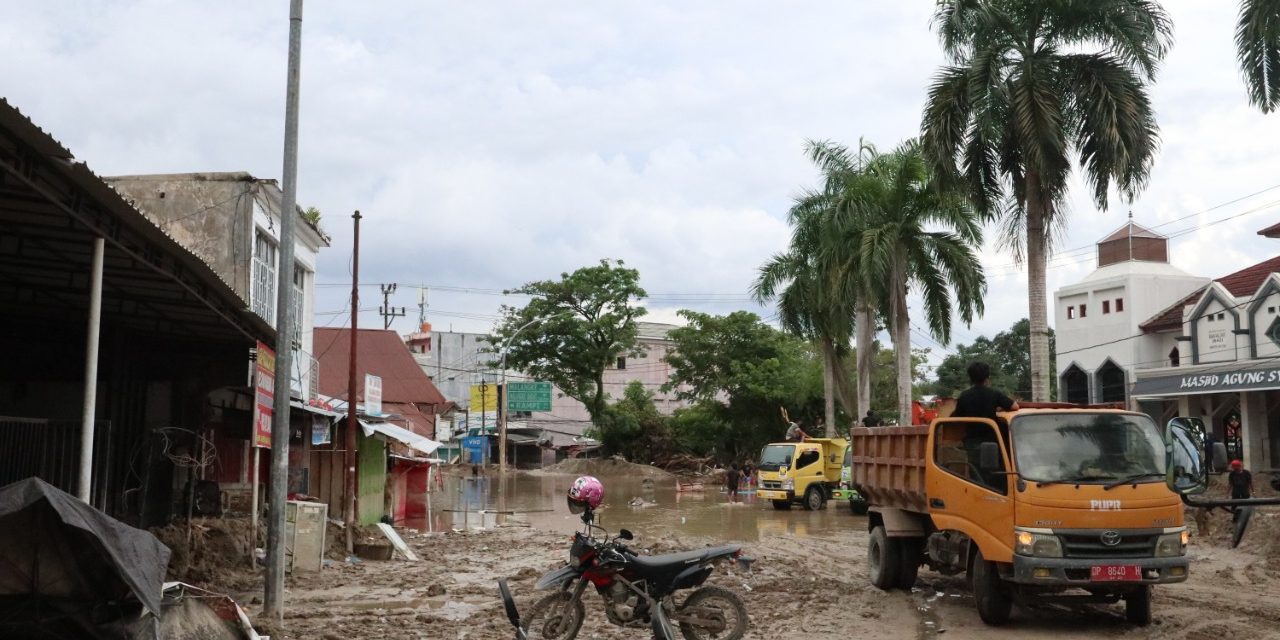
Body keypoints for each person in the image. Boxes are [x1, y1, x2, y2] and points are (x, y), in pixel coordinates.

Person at [952, 362, 1020, 422]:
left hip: (971, 436)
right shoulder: (994, 393)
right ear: (987, 378)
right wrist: (999, 407)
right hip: (994, 435)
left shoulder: (964, 395)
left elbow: (957, 416)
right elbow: (1015, 407)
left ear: (970, 379)